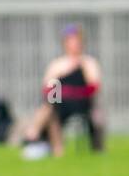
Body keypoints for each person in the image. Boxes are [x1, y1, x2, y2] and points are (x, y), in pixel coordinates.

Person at [18, 24, 104, 157]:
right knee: (51, 106)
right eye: (71, 41)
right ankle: (53, 146)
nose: (74, 44)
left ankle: (32, 133)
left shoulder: (88, 63)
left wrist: (71, 90)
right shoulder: (58, 65)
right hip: (60, 104)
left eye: (77, 40)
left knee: (51, 105)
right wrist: (62, 92)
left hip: (82, 104)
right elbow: (48, 89)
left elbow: (93, 88)